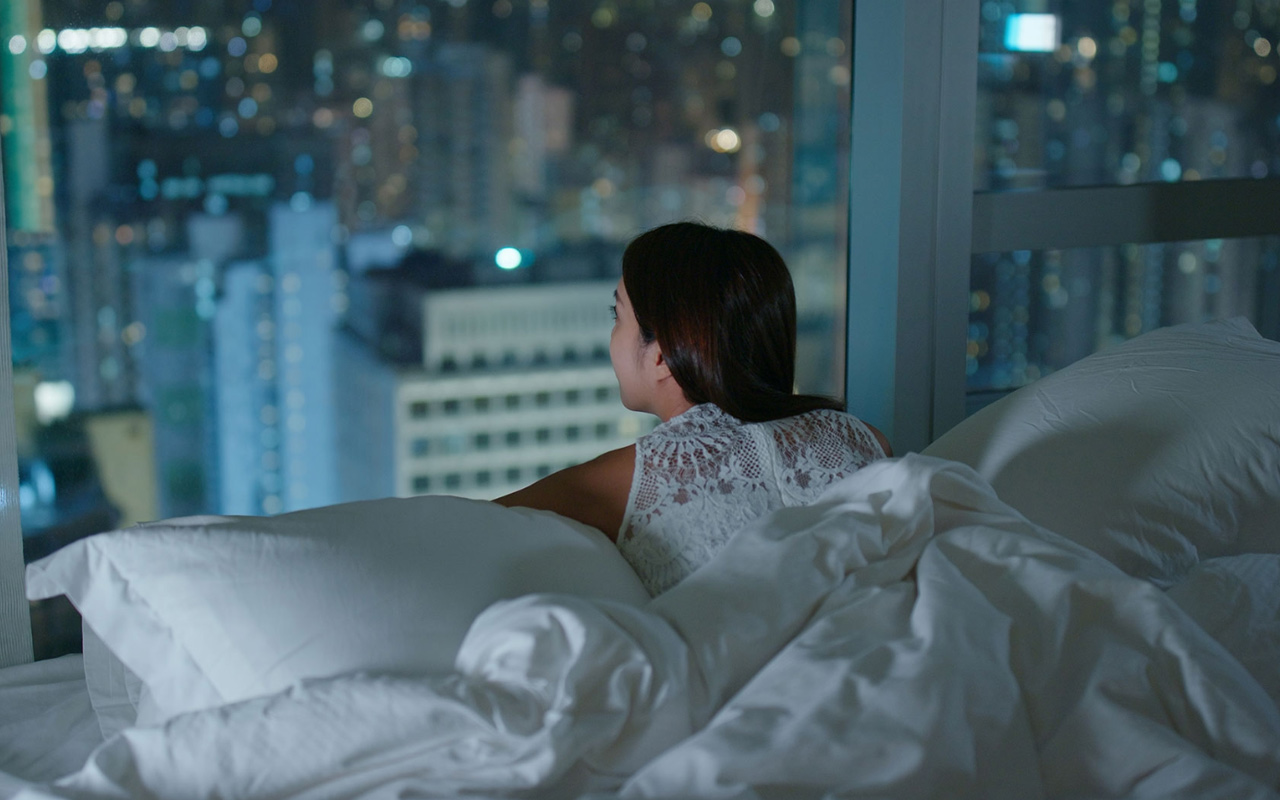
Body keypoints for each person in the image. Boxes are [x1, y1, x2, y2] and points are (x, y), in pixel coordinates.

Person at [497, 221, 891, 595]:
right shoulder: (862, 437)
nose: (612, 337)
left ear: (662, 356)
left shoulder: (619, 483)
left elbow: (452, 530)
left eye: (617, 316)